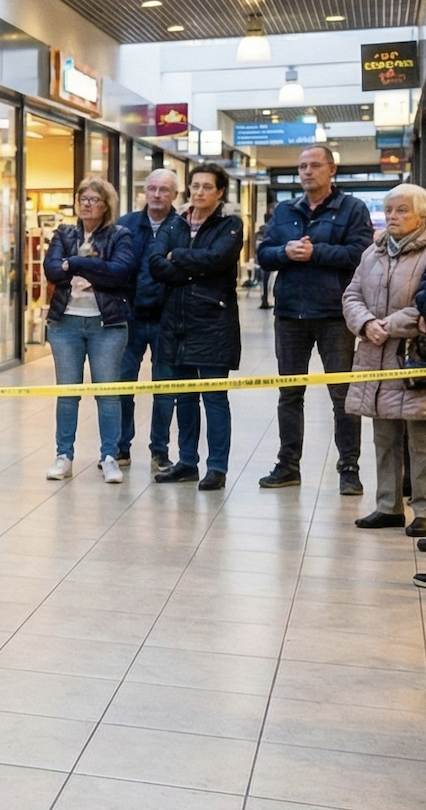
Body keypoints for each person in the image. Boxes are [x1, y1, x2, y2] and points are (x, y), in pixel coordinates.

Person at [254, 145, 372, 494]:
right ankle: (288, 465)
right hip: (290, 313)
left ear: (331, 169)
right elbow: (264, 254)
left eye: (315, 165)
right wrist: (285, 252)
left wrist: (315, 252)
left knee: (342, 396)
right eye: (302, 166)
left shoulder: (352, 208)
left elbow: (361, 254)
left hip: (334, 315)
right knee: (290, 394)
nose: (307, 172)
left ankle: (349, 468)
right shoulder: (286, 210)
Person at [150, 162, 243, 491]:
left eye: (207, 187)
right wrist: (189, 263)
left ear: (219, 192)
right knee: (185, 398)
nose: (199, 192)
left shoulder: (230, 225)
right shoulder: (175, 223)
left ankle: (217, 467)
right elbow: (156, 264)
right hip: (177, 322)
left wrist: (178, 258)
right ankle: (187, 461)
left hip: (213, 323)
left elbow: (218, 260)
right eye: (195, 186)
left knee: (214, 398)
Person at [341, 183, 426, 532]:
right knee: (383, 436)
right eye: (389, 210)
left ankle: (423, 511)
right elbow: (351, 294)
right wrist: (365, 323)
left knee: (421, 439)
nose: (393, 216)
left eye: (402, 210)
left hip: (411, 359)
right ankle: (388, 505)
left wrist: (388, 325)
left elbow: (422, 309)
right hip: (374, 359)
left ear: (421, 215)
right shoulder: (372, 253)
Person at [41, 177, 136, 483]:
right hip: (65, 323)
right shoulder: (64, 233)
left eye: (94, 199)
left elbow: (120, 274)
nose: (87, 204)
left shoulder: (120, 235)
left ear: (106, 205)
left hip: (106, 325)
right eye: (82, 199)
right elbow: (52, 269)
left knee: (107, 394)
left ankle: (109, 456)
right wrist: (91, 268)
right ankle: (63, 455)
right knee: (67, 392)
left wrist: (76, 263)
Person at [113, 168, 184, 470]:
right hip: (129, 318)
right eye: (152, 189)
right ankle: (120, 447)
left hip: (167, 320)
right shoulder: (125, 225)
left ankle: (160, 449)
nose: (156, 195)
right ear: (144, 191)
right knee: (121, 385)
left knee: (165, 387)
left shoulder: (183, 226)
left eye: (164, 190)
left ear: (174, 195)